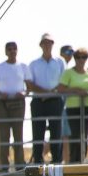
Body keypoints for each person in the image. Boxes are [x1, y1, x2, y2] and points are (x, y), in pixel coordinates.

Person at [0, 41, 28, 172]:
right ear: (6, 52)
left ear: (17, 50)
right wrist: (0, 93)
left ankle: (20, 166)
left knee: (18, 136)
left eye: (14, 49)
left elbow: (29, 86)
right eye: (9, 49)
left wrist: (23, 93)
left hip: (18, 103)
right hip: (2, 104)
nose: (12, 51)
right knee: (4, 136)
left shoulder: (22, 66)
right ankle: (4, 167)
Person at [27, 33, 65, 165]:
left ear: (53, 44)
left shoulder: (60, 62)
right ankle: (38, 160)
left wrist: (49, 94)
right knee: (38, 132)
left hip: (55, 101)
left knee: (56, 132)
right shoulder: (33, 64)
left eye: (49, 42)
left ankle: (57, 161)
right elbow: (29, 84)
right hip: (38, 102)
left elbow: (63, 82)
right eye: (44, 43)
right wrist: (44, 94)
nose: (47, 45)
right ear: (40, 45)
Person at [58, 47, 88, 163]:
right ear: (75, 58)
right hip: (73, 108)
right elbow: (60, 89)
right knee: (75, 136)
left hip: (87, 107)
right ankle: (73, 161)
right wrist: (76, 90)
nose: (81, 60)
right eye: (78, 57)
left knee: (84, 136)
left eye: (84, 57)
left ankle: (82, 160)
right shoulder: (68, 73)